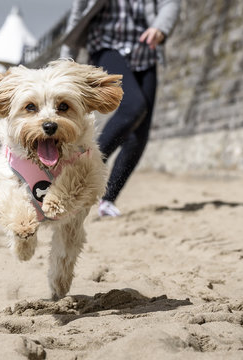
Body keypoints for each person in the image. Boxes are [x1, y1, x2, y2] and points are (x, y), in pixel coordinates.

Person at [61, 0, 181, 217]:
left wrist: (160, 28)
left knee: (139, 135)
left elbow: (169, 4)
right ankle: (80, 171)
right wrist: (63, 64)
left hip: (145, 51)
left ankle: (108, 199)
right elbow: (77, 15)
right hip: (106, 46)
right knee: (133, 107)